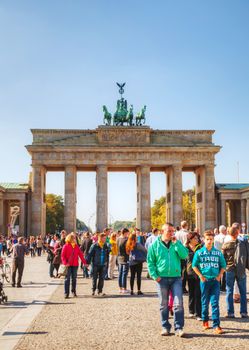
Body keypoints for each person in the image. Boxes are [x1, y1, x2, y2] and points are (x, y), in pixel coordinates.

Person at [147, 222, 188, 337]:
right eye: (169, 231)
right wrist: (155, 276)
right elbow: (150, 262)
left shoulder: (176, 243)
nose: (171, 233)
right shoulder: (154, 245)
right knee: (163, 304)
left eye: (172, 231)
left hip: (176, 278)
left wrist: (177, 245)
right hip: (162, 278)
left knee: (178, 303)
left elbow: (184, 255)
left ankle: (179, 328)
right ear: (162, 231)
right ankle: (165, 327)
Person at [192, 230, 226, 334]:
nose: (209, 241)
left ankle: (217, 325)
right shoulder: (199, 252)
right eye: (207, 239)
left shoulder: (218, 252)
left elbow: (223, 265)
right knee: (205, 302)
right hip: (204, 280)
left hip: (215, 281)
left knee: (215, 303)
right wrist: (200, 275)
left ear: (213, 240)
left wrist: (219, 275)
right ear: (204, 239)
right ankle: (205, 320)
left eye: (211, 239)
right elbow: (194, 266)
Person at [222, 226, 249, 318]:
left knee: (229, 290)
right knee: (243, 291)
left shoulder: (225, 244)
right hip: (240, 269)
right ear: (237, 233)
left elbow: (223, 259)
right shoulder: (242, 243)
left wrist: (224, 268)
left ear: (229, 234)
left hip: (229, 269)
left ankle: (230, 312)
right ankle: (244, 312)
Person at [61, 233, 87, 299]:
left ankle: (73, 291)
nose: (75, 239)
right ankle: (66, 293)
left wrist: (85, 263)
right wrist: (65, 263)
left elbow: (81, 255)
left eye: (75, 238)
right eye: (74, 238)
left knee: (74, 279)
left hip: (75, 265)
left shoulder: (76, 246)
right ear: (70, 239)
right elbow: (62, 256)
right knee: (67, 279)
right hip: (68, 265)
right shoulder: (65, 246)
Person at [185, 232, 202, 320]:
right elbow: (183, 262)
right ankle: (191, 311)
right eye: (195, 238)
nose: (197, 240)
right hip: (189, 273)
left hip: (199, 273)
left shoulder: (200, 248)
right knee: (191, 293)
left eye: (197, 238)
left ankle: (198, 313)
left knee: (198, 293)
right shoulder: (185, 248)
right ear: (190, 239)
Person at [175, 220, 189, 294]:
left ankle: (177, 286)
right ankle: (183, 287)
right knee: (185, 271)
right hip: (185, 253)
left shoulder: (177, 233)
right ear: (186, 225)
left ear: (181, 226)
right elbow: (187, 244)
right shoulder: (187, 234)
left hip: (177, 252)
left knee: (178, 270)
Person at [214, 225, 227, 291]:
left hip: (216, 255)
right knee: (224, 271)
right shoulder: (225, 237)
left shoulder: (215, 237)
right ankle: (223, 286)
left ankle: (218, 285)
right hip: (223, 255)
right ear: (224, 230)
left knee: (217, 271)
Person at [117, 228, 130, 294]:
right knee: (124, 274)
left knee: (120, 273)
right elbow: (128, 249)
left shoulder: (118, 239)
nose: (128, 234)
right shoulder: (126, 240)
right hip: (125, 257)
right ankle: (124, 288)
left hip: (119, 257)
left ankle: (120, 288)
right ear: (125, 233)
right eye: (128, 233)